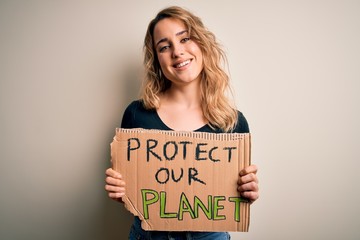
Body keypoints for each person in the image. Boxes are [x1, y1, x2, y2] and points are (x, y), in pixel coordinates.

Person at [105, 6, 259, 240]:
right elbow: (132, 194)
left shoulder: (233, 122)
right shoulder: (136, 115)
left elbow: (232, 197)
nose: (177, 52)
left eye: (185, 38)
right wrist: (121, 192)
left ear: (201, 44)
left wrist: (247, 191)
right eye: (164, 47)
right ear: (157, 60)